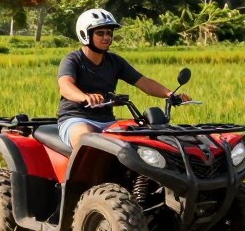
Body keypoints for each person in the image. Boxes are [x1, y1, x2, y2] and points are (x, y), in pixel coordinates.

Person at [57, 8, 189, 149]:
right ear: (85, 34)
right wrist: (84, 97)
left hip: (107, 121)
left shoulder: (114, 61)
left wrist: (170, 94)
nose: (106, 37)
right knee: (86, 140)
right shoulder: (73, 60)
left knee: (140, 142)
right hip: (76, 119)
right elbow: (65, 86)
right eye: (100, 33)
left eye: (109, 33)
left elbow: (144, 82)